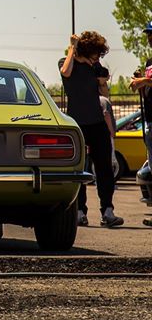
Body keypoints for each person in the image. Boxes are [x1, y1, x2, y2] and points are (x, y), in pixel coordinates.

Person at [59, 31, 122, 228]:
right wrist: (72, 48)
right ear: (86, 50)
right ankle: (79, 212)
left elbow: (104, 94)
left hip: (97, 123)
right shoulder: (66, 61)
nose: (97, 57)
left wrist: (102, 82)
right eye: (95, 53)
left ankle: (107, 211)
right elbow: (66, 72)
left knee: (104, 169)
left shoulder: (95, 67)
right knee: (79, 170)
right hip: (77, 124)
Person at [130, 22, 152, 165]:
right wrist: (140, 85)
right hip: (150, 117)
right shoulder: (149, 62)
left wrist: (143, 80)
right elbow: (147, 92)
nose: (150, 38)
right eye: (149, 36)